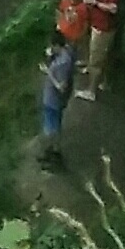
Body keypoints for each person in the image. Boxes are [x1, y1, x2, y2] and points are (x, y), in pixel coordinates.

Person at [38, 19, 79, 160]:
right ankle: (54, 149)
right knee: (55, 125)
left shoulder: (63, 63)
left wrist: (47, 71)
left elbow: (61, 87)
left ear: (56, 45)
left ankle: (52, 150)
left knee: (50, 128)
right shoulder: (67, 53)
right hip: (56, 100)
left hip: (53, 100)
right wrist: (50, 56)